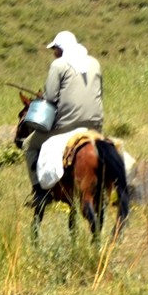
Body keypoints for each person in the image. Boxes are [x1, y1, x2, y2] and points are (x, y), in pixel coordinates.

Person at [23, 30, 104, 198]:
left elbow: (51, 97)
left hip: (68, 124)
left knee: (28, 146)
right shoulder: (94, 63)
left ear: (61, 49)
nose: (54, 53)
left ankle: (38, 192)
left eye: (55, 49)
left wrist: (43, 97)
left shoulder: (58, 65)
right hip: (96, 124)